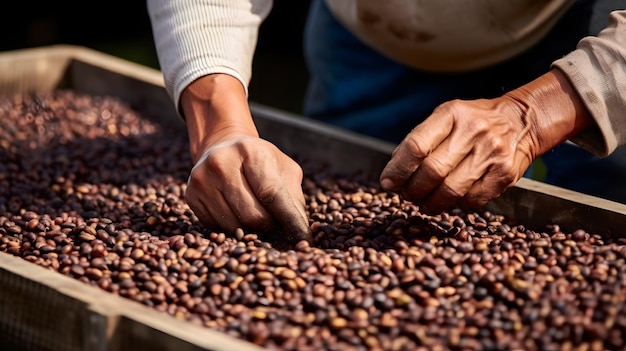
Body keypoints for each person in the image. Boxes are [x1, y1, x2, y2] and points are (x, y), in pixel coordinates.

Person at [146, 0, 626, 244]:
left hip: (586, 31)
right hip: (368, 33)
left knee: (596, 214)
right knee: (354, 182)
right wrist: (219, 125)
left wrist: (534, 113)